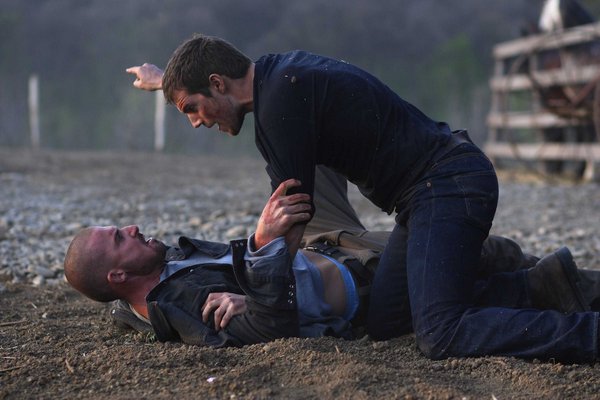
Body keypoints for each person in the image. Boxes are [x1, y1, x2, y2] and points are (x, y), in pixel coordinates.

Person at [126, 35, 599, 362]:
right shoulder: (278, 78)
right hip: (427, 193)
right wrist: (167, 79)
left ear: (217, 83)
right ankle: (546, 284)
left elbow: (292, 220)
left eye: (192, 108)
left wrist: (255, 297)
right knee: (389, 319)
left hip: (447, 185)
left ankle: (589, 335)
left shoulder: (279, 108)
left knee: (440, 333)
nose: (196, 120)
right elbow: (205, 69)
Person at [65, 165, 598, 352]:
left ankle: (212, 87)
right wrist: (263, 248)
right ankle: (548, 280)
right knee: (465, 249)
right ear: (118, 273)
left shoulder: (153, 277)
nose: (131, 228)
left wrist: (176, 85)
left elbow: (121, 307)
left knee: (301, 157)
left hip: (323, 244)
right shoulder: (181, 305)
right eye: (119, 237)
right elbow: (268, 326)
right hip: (355, 279)